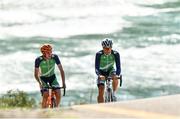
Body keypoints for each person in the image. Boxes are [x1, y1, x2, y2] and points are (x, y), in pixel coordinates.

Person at [34, 44, 65, 108]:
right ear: (43, 53)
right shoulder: (38, 60)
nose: (50, 54)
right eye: (48, 52)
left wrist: (63, 83)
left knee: (58, 93)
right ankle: (43, 112)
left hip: (52, 78)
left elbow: (61, 70)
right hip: (43, 79)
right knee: (46, 94)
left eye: (50, 51)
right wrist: (40, 83)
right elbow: (36, 74)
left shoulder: (55, 57)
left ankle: (56, 109)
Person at [95, 38, 121, 103]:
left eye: (109, 48)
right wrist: (99, 75)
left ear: (111, 47)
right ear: (103, 48)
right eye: (106, 48)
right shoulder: (99, 54)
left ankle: (114, 94)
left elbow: (118, 67)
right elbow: (96, 68)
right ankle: (101, 107)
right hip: (101, 72)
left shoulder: (115, 54)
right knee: (101, 90)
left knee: (115, 76)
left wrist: (117, 75)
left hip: (110, 70)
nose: (108, 50)